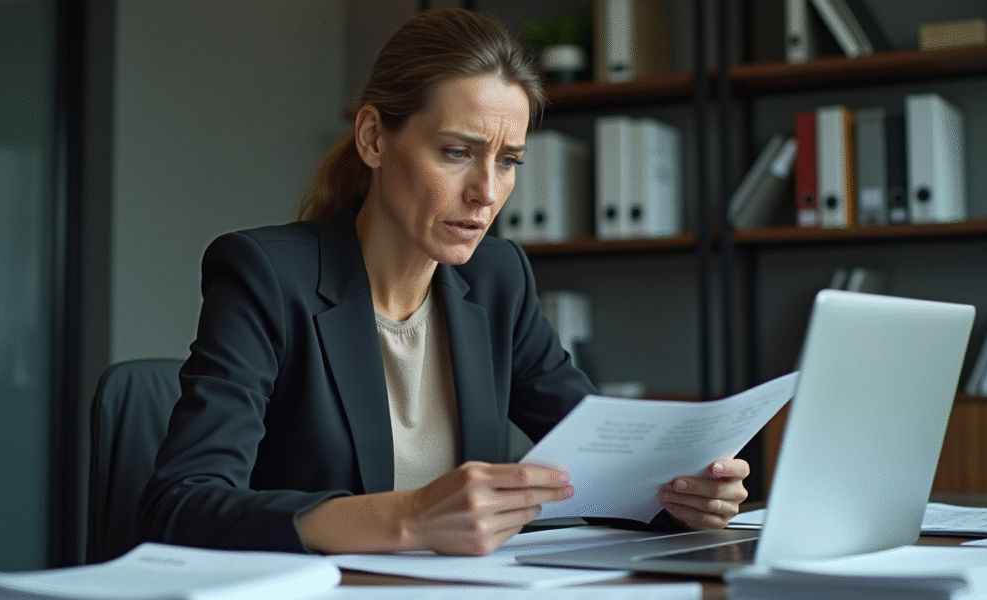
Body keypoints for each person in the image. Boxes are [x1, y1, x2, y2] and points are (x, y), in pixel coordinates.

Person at [138, 8, 749, 558]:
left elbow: (607, 462)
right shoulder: (267, 276)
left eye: (508, 160)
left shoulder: (497, 279)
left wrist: (679, 496)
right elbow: (181, 506)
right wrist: (408, 517)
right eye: (457, 152)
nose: (487, 192)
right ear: (374, 138)